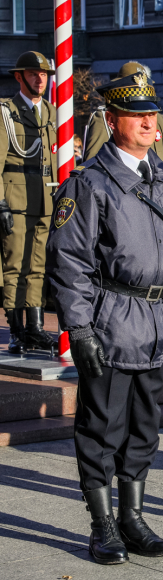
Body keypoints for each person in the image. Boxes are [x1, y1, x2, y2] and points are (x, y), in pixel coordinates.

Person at [46, 70, 163, 564]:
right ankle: (102, 525)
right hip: (113, 321)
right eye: (138, 115)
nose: (150, 122)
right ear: (113, 121)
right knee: (101, 426)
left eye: (152, 113)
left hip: (159, 319)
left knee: (145, 426)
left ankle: (133, 518)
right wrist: (80, 328)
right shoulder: (90, 183)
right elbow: (70, 261)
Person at [0, 51, 60, 354]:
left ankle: (36, 328)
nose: (41, 79)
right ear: (19, 77)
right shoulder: (5, 112)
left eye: (45, 74)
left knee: (38, 266)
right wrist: (0, 203)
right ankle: (16, 330)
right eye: (34, 74)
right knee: (15, 266)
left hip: (46, 199)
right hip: (16, 200)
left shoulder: (53, 112)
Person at [84, 62, 163, 166]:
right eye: (136, 114)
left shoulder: (157, 118)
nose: (148, 124)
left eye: (151, 114)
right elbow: (94, 164)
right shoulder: (104, 117)